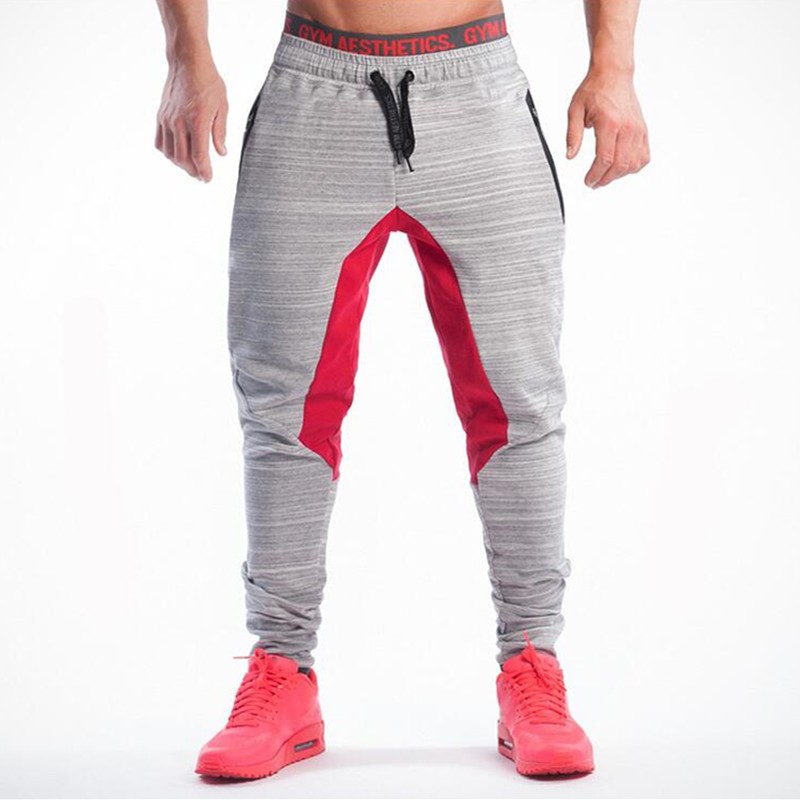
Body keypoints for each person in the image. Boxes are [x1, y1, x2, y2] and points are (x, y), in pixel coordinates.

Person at [154, 0, 649, 781]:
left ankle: (532, 665)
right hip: (312, 89)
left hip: (476, 90)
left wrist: (613, 67)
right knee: (282, 406)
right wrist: (186, 57)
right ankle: (282, 673)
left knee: (519, 400)